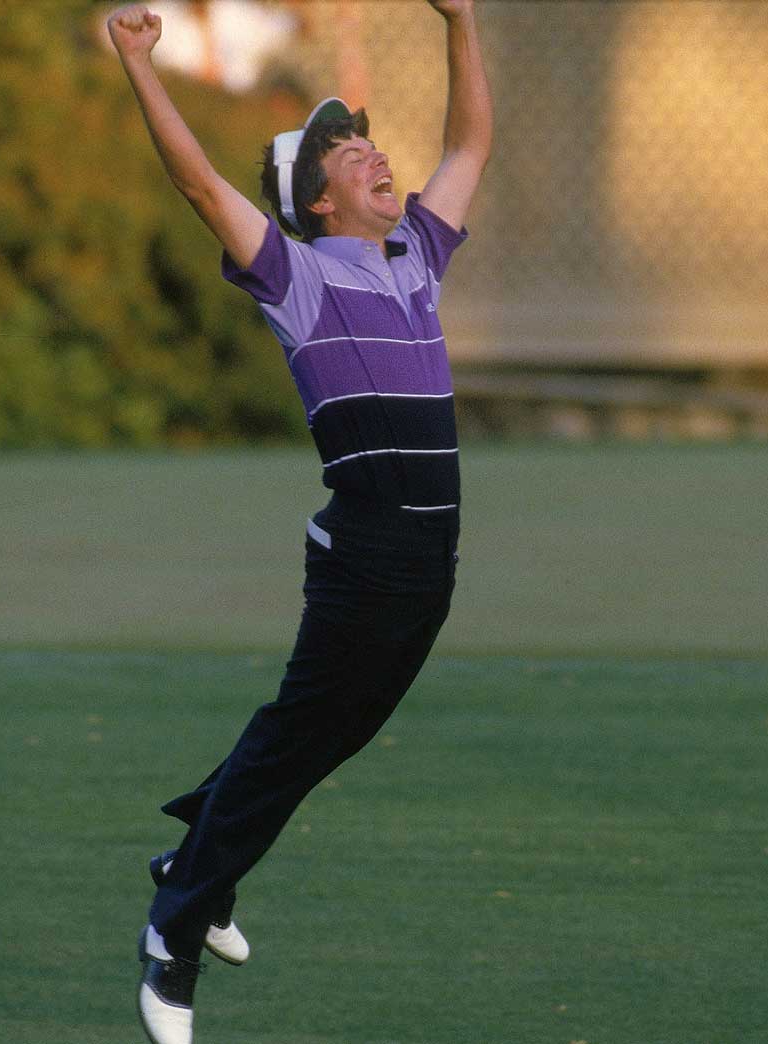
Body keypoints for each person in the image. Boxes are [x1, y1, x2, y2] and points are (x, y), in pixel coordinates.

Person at [106, 2, 491, 1041]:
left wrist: (459, 21)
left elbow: (468, 142)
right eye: (343, 150)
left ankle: (197, 859)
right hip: (366, 553)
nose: (368, 151)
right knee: (295, 739)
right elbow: (194, 181)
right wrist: (140, 62)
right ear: (314, 201)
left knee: (326, 736)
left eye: (365, 138)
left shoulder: (416, 252)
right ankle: (172, 938)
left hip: (430, 561)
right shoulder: (296, 275)